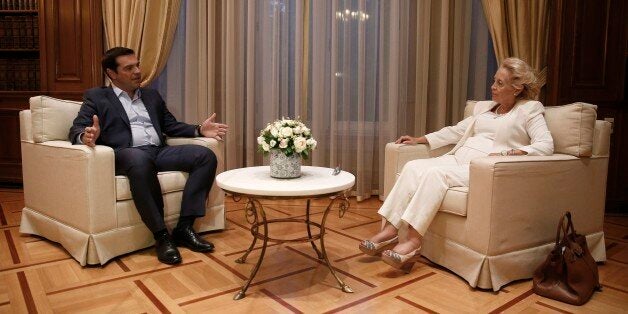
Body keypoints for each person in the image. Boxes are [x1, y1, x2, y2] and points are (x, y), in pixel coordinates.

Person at [359, 57, 554, 272]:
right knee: (413, 166)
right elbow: (455, 131)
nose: (493, 87)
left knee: (435, 175)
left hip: (482, 165)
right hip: (458, 157)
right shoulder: (484, 108)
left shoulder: (530, 109)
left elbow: (545, 145)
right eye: (494, 81)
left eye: (500, 83)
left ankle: (413, 242)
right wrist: (420, 139)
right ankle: (391, 230)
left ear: (516, 89)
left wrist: (513, 152)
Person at [69, 47, 228, 265]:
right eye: (129, 68)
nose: (137, 71)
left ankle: (184, 227)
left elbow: (170, 125)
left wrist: (199, 129)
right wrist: (85, 136)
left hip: (158, 151)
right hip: (125, 154)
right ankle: (162, 236)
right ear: (111, 73)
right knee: (139, 159)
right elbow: (77, 128)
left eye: (138, 65)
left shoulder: (151, 95)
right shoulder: (97, 97)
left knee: (205, 155)